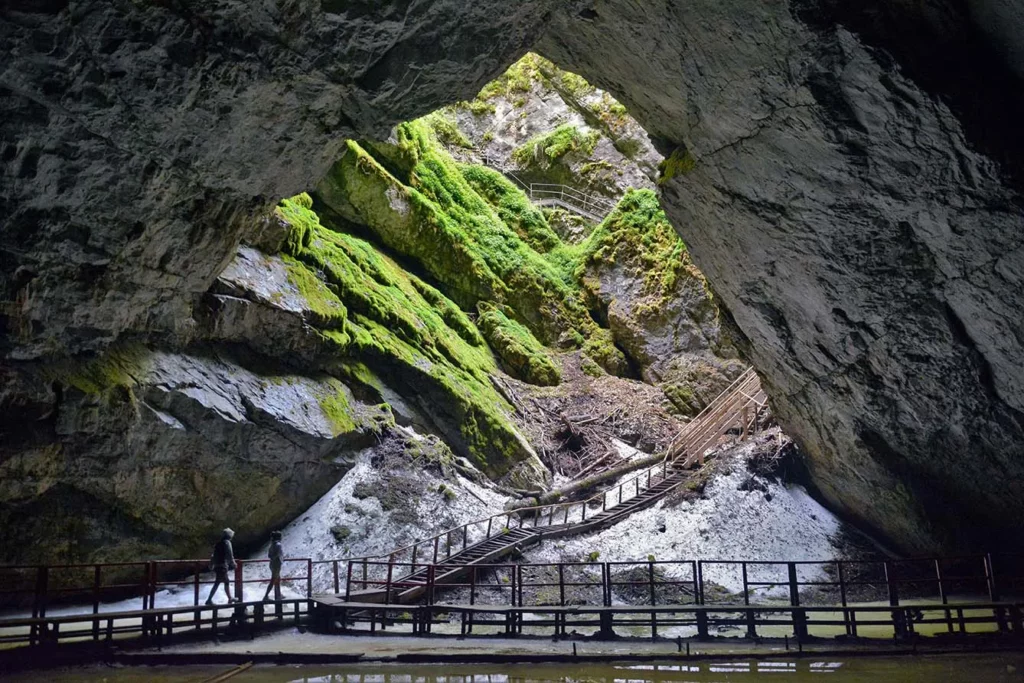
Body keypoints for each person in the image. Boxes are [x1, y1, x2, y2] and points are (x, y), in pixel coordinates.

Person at [205, 528, 237, 605]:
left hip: (217, 565)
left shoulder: (218, 544)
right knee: (222, 582)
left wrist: (211, 564)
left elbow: (213, 555)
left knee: (223, 582)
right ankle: (209, 600)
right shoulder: (227, 543)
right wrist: (233, 563)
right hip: (223, 565)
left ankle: (229, 598)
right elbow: (230, 554)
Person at [262, 530, 285, 602]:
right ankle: (266, 596)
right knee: (273, 580)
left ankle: (279, 594)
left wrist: (273, 557)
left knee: (278, 579)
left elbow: (269, 555)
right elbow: (278, 554)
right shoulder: (278, 545)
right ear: (279, 537)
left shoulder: (271, 545)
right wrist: (278, 558)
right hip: (276, 564)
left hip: (272, 564)